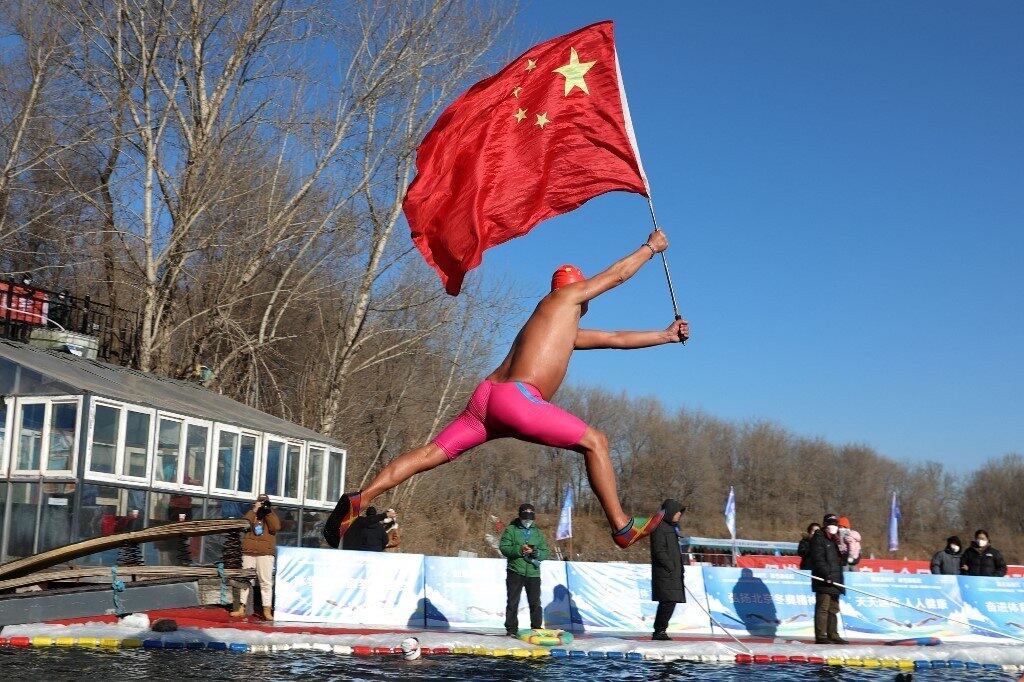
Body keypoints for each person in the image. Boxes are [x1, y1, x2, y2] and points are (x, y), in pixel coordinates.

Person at [324, 230, 689, 550]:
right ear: (578, 290)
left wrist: (665, 335)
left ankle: (360, 498)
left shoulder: (558, 327)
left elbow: (615, 339)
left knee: (430, 453)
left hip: (486, 399)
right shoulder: (565, 300)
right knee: (596, 442)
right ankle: (621, 527)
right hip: (517, 399)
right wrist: (649, 247)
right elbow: (616, 275)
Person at [499, 504, 550, 637]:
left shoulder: (538, 533)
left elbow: (545, 551)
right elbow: (504, 547)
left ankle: (536, 628)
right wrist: (519, 550)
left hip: (533, 573)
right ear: (520, 516)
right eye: (525, 518)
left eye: (530, 519)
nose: (527, 521)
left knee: (535, 602)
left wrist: (535, 552)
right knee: (512, 601)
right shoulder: (511, 530)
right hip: (515, 571)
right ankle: (511, 629)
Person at [231, 494, 281, 619]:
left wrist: (267, 512)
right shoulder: (251, 514)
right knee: (245, 580)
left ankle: (267, 610)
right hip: (249, 552)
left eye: (265, 502)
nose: (262, 504)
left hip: (265, 554)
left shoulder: (271, 515)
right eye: (260, 502)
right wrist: (254, 511)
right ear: (256, 502)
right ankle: (241, 608)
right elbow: (243, 525)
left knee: (265, 582)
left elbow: (276, 527)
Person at [650, 499, 686, 641]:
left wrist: (679, 568)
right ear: (670, 512)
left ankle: (661, 630)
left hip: (673, 572)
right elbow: (659, 551)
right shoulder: (658, 527)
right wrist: (670, 566)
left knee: (670, 601)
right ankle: (659, 631)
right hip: (665, 572)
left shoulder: (671, 528)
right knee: (667, 601)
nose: (679, 516)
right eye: (677, 513)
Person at [810, 513, 848, 645]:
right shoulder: (818, 538)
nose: (833, 526)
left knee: (833, 609)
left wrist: (844, 548)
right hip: (824, 579)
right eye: (830, 524)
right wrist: (826, 574)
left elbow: (842, 562)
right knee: (823, 607)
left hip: (836, 579)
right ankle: (821, 635)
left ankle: (833, 634)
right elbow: (818, 559)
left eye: (835, 524)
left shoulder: (837, 539)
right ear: (825, 525)